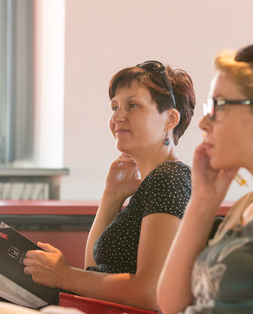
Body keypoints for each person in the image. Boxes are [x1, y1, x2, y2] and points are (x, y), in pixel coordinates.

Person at [23, 60, 196, 311]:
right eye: (114, 107)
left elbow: (151, 291)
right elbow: (95, 268)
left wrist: (64, 275)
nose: (117, 117)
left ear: (170, 119)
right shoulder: (154, 181)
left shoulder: (170, 177)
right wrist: (112, 196)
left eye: (133, 105)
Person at [157, 43, 253, 314]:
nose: (204, 124)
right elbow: (171, 304)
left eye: (219, 106)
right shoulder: (249, 202)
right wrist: (203, 200)